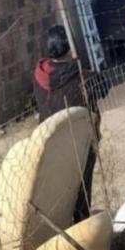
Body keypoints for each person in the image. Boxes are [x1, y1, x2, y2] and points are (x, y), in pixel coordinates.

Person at [32, 25, 97, 221]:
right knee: (80, 189)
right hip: (79, 142)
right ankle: (81, 223)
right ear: (69, 47)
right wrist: (83, 68)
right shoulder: (81, 76)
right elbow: (103, 86)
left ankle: (58, 224)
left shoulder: (38, 75)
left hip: (48, 140)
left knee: (56, 190)